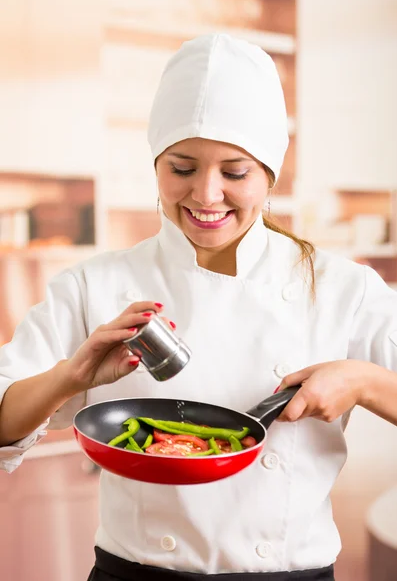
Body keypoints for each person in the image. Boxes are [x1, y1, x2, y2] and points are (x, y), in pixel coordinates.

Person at [0, 33, 396, 581]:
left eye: (235, 172)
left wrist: (366, 381)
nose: (206, 195)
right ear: (156, 164)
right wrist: (71, 377)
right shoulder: (96, 284)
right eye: (182, 168)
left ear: (269, 176)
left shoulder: (339, 287)